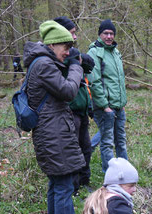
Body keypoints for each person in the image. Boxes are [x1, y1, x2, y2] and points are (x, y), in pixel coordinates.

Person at [23, 20, 84, 214]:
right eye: (64, 47)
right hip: (53, 133)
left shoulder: (41, 63)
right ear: (52, 45)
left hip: (52, 131)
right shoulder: (44, 65)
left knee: (57, 183)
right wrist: (76, 67)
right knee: (64, 184)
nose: (67, 52)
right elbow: (68, 91)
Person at [54, 16, 96, 192]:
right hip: (68, 110)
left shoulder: (73, 52)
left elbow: (89, 63)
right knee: (74, 150)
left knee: (86, 148)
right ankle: (74, 187)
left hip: (82, 109)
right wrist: (74, 60)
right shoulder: (55, 57)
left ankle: (84, 181)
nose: (75, 37)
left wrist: (78, 59)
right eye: (72, 33)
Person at [87, 19, 128, 173]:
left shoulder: (116, 52)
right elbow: (94, 81)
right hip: (105, 108)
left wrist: (122, 102)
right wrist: (105, 106)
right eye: (106, 33)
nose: (109, 36)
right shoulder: (94, 52)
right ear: (100, 34)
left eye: (111, 33)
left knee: (121, 141)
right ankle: (110, 176)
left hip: (119, 106)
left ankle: (124, 173)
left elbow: (119, 80)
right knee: (107, 142)